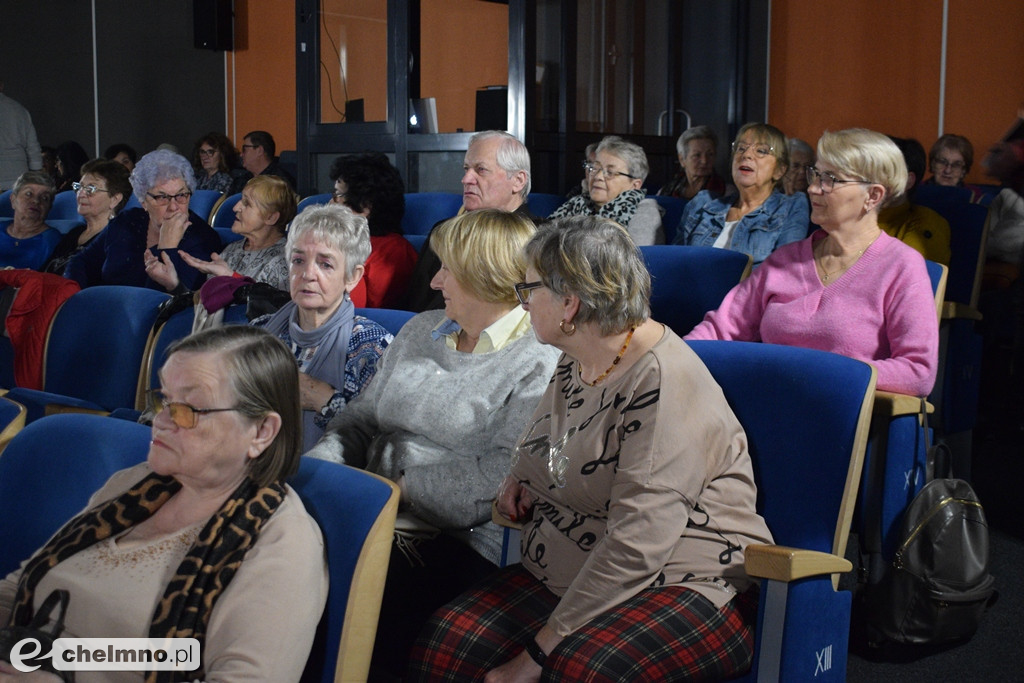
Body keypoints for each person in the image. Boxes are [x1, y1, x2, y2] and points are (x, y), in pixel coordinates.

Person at [409, 215, 773, 682]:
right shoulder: (579, 356)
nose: (523, 302)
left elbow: (638, 545)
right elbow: (543, 439)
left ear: (570, 304)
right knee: (447, 642)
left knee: (579, 670)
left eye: (529, 290)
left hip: (686, 578)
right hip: (578, 562)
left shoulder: (663, 381)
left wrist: (532, 658)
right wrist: (520, 476)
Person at [307, 209, 560, 679]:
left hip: (459, 538)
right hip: (374, 507)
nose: (435, 281)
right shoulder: (420, 329)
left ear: (485, 278)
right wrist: (323, 471)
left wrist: (396, 488)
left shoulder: (540, 358)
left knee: (350, 596)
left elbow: (500, 475)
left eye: (448, 269)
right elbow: (359, 418)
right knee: (278, 561)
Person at [0, 325, 327, 682]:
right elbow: (19, 589)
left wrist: (68, 674)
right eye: (164, 400)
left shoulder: (282, 544)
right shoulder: (136, 483)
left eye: (188, 409)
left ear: (261, 431)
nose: (160, 421)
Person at [686, 128, 939, 397]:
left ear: (873, 196)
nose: (812, 188)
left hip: (837, 413)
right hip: (762, 404)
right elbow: (720, 329)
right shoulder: (785, 260)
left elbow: (917, 371)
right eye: (815, 175)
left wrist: (821, 374)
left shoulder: (902, 265)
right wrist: (672, 357)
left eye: (830, 180)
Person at [254, 203, 392, 452]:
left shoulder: (374, 348)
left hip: (325, 472)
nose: (307, 274)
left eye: (325, 264)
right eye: (298, 260)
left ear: (352, 277)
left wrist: (326, 401)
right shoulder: (258, 332)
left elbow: (383, 445)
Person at [405, 130, 532, 312]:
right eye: (466, 169)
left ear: (518, 181)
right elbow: (416, 308)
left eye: (481, 170)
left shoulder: (538, 240)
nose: (466, 179)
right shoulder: (444, 231)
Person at [64, 149, 222, 291]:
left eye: (181, 195)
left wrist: (167, 247)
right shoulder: (128, 221)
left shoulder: (203, 238)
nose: (174, 207)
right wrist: (76, 295)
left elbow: (163, 301)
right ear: (143, 202)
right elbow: (81, 262)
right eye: (162, 197)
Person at [674, 122, 809, 268]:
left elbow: (785, 271)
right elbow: (674, 263)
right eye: (741, 148)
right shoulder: (702, 203)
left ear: (779, 170)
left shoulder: (791, 207)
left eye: (761, 151)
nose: (746, 155)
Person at [144, 174, 295, 292]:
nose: (235, 207)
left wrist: (232, 277)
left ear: (271, 218)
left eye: (247, 203)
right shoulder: (231, 250)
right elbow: (203, 307)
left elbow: (270, 310)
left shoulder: (285, 262)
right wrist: (174, 285)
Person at [329, 152, 418, 308]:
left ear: (365, 206)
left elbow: (370, 312)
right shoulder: (337, 241)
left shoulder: (395, 251)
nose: (330, 203)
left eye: (338, 195)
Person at [550, 135, 664, 245]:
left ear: (635, 185)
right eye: (594, 168)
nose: (597, 177)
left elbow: (637, 256)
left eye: (610, 172)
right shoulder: (576, 204)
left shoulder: (644, 213)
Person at [42, 159, 132, 274]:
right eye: (79, 187)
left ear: (114, 199)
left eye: (90, 189)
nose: (81, 194)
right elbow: (44, 272)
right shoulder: (74, 233)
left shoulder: (116, 240)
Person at [878, 136, 951, 265]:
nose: (865, 179)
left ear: (907, 181)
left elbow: (906, 270)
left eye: (881, 172)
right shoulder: (856, 216)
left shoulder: (926, 223)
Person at [0, 170, 61, 270]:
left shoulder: (51, 240)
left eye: (44, 198)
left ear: (49, 207)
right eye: (29, 194)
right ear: (13, 200)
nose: (36, 201)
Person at [658, 125, 730, 200]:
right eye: (697, 155)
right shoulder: (668, 190)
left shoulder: (725, 192)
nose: (704, 161)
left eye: (710, 154)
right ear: (682, 159)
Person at [0, 81, 42, 191]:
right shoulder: (19, 110)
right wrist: (36, 174)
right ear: (1, 86)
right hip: (18, 178)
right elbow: (33, 147)